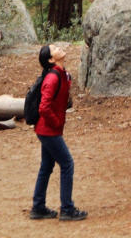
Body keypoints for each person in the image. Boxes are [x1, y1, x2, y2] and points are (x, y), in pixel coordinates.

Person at [29, 42, 87, 221]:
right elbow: (44, 107)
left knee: (46, 166)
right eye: (55, 49)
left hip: (47, 129)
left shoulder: (61, 74)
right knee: (67, 163)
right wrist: (56, 124)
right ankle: (67, 209)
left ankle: (38, 207)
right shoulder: (52, 78)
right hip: (48, 130)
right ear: (51, 59)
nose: (60, 48)